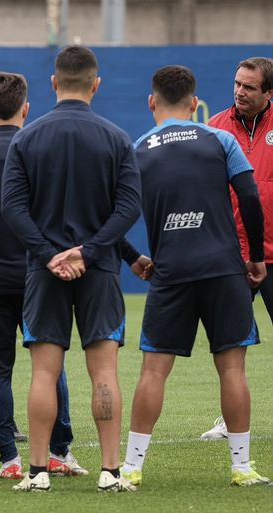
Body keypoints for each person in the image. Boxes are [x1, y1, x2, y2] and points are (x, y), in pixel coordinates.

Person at [122, 65, 270, 487]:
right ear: (194, 103)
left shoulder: (138, 149)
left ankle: (132, 468)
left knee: (153, 371)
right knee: (232, 370)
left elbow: (108, 216)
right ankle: (242, 468)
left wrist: (133, 257)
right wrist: (256, 257)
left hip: (170, 272)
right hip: (224, 269)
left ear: (152, 102)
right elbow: (249, 198)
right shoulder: (220, 139)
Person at [2, 45, 141, 493]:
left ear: (53, 83)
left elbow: (13, 208)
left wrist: (49, 255)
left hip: (45, 272)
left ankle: (38, 470)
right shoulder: (116, 138)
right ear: (96, 84)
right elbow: (129, 207)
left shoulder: (26, 137)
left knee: (44, 372)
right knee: (104, 372)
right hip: (98, 270)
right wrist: (91, 251)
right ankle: (110, 470)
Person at [0, 71, 86, 480]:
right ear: (26, 108)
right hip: (38, 274)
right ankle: (59, 451)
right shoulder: (40, 153)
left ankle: (9, 457)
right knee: (50, 366)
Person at [199, 57, 273, 442]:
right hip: (232, 254)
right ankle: (231, 420)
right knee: (230, 342)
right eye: (237, 84)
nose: (239, 92)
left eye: (249, 87)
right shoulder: (214, 129)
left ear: (269, 93)